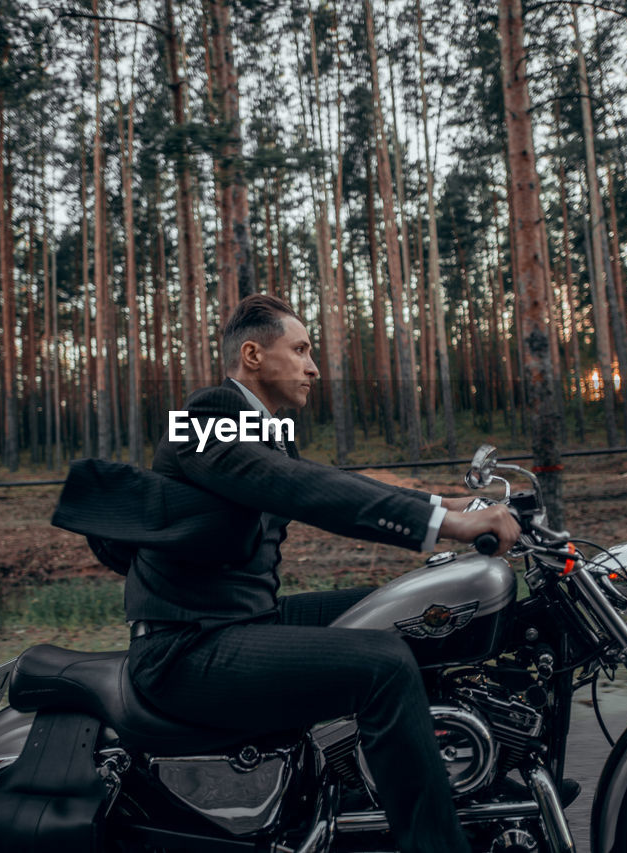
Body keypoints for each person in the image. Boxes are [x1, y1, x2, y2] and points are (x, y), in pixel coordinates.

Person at [125, 293, 519, 853]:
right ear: (254, 356)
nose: (314, 367)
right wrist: (442, 525)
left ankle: (456, 784)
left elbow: (332, 479)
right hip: (187, 647)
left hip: (243, 622)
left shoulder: (259, 428)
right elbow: (308, 492)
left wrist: (451, 504)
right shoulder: (204, 418)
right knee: (383, 665)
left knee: (418, 611)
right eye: (302, 350)